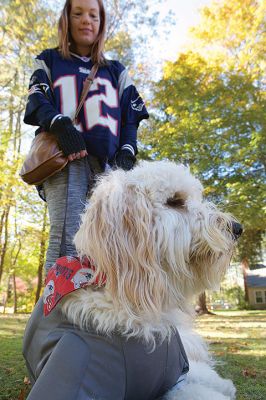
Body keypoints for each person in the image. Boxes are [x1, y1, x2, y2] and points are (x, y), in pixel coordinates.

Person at [24, 0, 149, 274]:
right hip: (67, 159)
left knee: (107, 243)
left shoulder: (116, 70)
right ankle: (55, 315)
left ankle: (93, 315)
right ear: (66, 19)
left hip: (108, 167)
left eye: (94, 15)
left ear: (101, 23)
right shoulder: (49, 60)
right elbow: (37, 99)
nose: (86, 20)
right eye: (78, 13)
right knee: (67, 242)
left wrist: (127, 150)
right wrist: (61, 126)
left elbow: (132, 114)